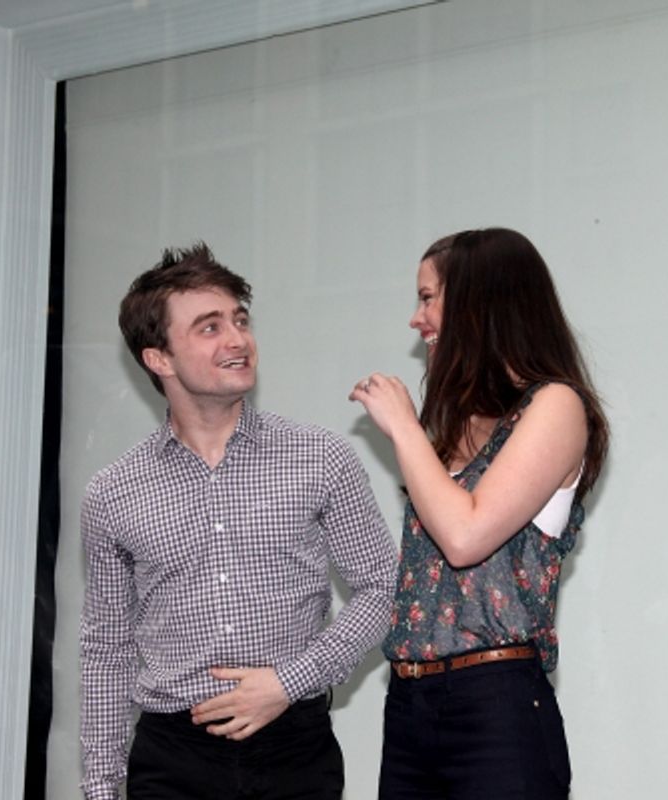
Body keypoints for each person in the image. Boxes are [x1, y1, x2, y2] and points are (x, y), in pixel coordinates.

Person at [79, 243, 397, 800]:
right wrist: (102, 788)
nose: (237, 340)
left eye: (240, 320)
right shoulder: (112, 492)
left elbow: (383, 588)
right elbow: (107, 647)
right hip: (170, 757)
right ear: (159, 358)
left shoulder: (320, 456)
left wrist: (289, 682)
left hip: (294, 747)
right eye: (209, 327)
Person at [348, 228, 609, 799]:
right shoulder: (454, 430)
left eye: (427, 297)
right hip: (411, 704)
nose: (417, 321)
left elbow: (465, 535)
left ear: (478, 301)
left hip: (495, 706)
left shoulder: (556, 406)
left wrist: (405, 428)